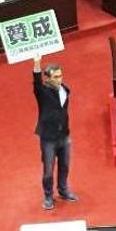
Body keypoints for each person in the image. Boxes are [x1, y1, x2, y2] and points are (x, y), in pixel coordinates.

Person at [32, 55, 76, 210]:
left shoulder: (64, 90)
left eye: (60, 75)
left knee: (65, 165)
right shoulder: (42, 92)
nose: (59, 79)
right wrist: (37, 64)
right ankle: (48, 197)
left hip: (64, 135)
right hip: (48, 139)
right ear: (48, 78)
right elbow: (36, 82)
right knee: (48, 170)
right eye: (56, 77)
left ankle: (63, 191)